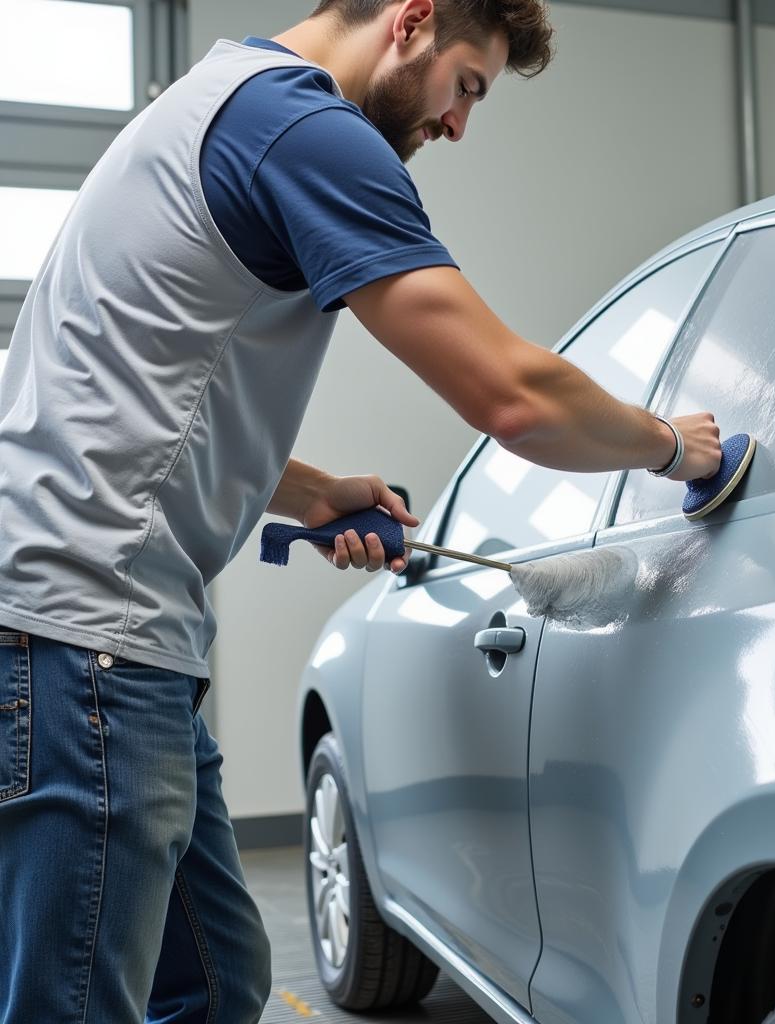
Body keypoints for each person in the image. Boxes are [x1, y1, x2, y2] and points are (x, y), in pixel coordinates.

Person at [0, 0, 722, 1020]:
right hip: (86, 643)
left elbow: (138, 380)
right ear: (412, 19)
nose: (460, 125)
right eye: (466, 84)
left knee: (214, 980)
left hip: (90, 632)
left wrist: (305, 487)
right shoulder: (307, 130)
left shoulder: (216, 97)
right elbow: (509, 395)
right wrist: (667, 443)